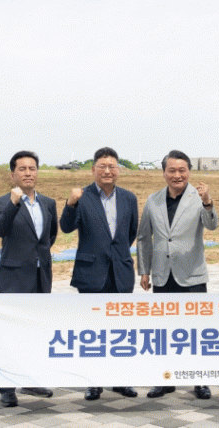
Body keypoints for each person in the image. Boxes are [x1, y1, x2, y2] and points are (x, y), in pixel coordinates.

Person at [137, 150, 218, 400]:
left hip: (192, 276)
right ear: (164, 173)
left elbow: (212, 224)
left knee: (195, 332)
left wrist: (208, 202)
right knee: (165, 331)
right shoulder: (153, 200)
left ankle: (200, 380)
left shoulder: (198, 196)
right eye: (171, 170)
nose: (177, 175)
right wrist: (144, 270)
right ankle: (165, 379)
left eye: (182, 170)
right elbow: (144, 237)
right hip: (163, 276)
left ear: (189, 172)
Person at [60, 147, 139, 400]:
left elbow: (130, 233)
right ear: (93, 169)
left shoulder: (129, 198)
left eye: (112, 166)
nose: (107, 171)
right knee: (92, 331)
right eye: (102, 166)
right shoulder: (82, 196)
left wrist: (117, 256)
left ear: (118, 170)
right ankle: (93, 381)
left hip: (120, 273)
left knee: (121, 330)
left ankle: (120, 380)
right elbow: (66, 227)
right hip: (92, 273)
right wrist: (70, 203)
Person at [0, 150, 57, 406]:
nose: (28, 173)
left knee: (33, 333)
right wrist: (13, 203)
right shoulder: (2, 202)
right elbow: (1, 229)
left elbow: (50, 237)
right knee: (9, 335)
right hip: (14, 279)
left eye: (32, 168)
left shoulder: (48, 203)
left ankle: (29, 380)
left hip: (41, 278)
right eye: (22, 169)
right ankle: (6, 388)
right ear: (13, 174)